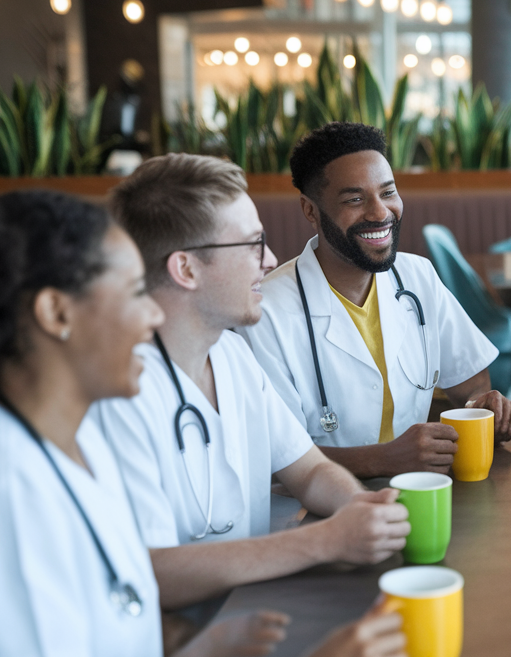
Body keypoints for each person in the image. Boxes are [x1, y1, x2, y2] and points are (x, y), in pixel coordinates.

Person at [0, 185, 406, 657]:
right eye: (134, 291)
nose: (153, 312)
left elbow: (87, 608)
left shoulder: (62, 442)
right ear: (56, 313)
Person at [90, 154, 408, 613]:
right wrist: (324, 542)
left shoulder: (231, 353)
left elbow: (310, 472)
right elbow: (150, 571)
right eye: (253, 244)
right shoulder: (117, 393)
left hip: (246, 615)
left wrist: (363, 510)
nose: (272, 260)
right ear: (186, 269)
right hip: (170, 650)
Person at [243, 122, 511, 479]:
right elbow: (274, 452)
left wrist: (483, 408)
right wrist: (383, 460)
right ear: (310, 210)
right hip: (313, 513)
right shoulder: (266, 313)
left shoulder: (418, 277)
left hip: (418, 492)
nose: (380, 213)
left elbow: (472, 385)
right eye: (355, 199)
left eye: (388, 192)